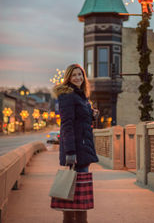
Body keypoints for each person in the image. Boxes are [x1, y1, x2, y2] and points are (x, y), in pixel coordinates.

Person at [53, 64, 99, 223]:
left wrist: (91, 115)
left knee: (75, 189)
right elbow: (67, 125)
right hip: (77, 150)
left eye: (80, 74)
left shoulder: (80, 96)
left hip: (83, 147)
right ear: (68, 77)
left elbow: (80, 122)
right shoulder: (68, 96)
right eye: (74, 75)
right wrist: (70, 153)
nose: (78, 77)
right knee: (77, 190)